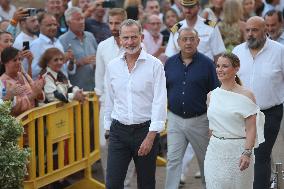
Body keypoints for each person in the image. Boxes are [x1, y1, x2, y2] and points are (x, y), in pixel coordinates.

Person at [104, 19, 167, 189]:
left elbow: (159, 102)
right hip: (118, 131)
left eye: (134, 37)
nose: (130, 42)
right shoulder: (112, 66)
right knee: (113, 184)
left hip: (145, 131)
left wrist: (151, 136)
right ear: (120, 39)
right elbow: (109, 99)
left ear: (142, 37)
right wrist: (108, 130)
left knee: (146, 183)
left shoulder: (155, 65)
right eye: (126, 38)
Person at [232, 16, 284, 189]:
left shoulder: (279, 51)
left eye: (254, 30)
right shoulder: (237, 52)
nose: (250, 34)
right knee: (243, 154)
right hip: (241, 114)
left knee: (260, 155)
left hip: (269, 113)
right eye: (247, 30)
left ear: (265, 31)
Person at [164, 27, 219, 189]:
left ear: (198, 41)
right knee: (173, 160)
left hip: (200, 120)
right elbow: (163, 90)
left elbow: (215, 94)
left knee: (205, 160)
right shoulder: (170, 63)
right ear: (178, 42)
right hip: (175, 119)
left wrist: (213, 123)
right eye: (184, 39)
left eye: (191, 39)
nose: (188, 42)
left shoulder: (208, 64)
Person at [204, 52, 265, 188]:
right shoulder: (211, 96)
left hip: (238, 152)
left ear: (236, 68)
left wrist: (247, 153)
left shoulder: (247, 95)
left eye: (225, 66)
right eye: (218, 66)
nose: (220, 69)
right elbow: (212, 126)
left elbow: (251, 128)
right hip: (215, 152)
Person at [59, 7, 97, 91]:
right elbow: (61, 67)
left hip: (94, 87)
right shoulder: (62, 40)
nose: (81, 22)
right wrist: (81, 62)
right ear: (68, 22)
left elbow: (97, 56)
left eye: (82, 18)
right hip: (76, 91)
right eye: (77, 19)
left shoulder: (90, 36)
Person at [0, 47, 44, 116]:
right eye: (14, 60)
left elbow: (39, 95)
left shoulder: (22, 74)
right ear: (5, 63)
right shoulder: (2, 82)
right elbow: (14, 108)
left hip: (35, 118)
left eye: (19, 59)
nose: (18, 62)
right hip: (20, 124)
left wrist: (39, 86)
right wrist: (33, 95)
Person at [30, 12, 75, 80]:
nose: (53, 27)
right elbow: (33, 72)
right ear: (40, 26)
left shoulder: (58, 42)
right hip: (48, 88)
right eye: (49, 25)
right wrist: (61, 61)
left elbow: (66, 70)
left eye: (55, 24)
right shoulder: (36, 44)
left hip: (64, 86)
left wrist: (71, 61)